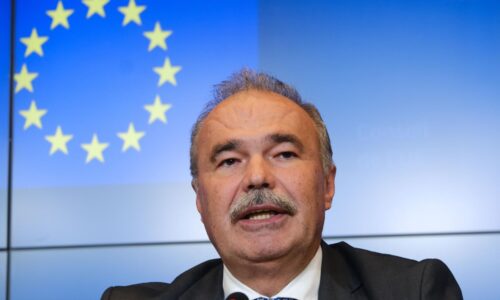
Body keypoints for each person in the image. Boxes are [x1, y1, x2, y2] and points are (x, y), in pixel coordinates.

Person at [101, 69, 462, 300]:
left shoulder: (413, 291)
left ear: (327, 185)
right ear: (199, 201)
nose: (257, 177)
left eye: (284, 154)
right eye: (229, 161)